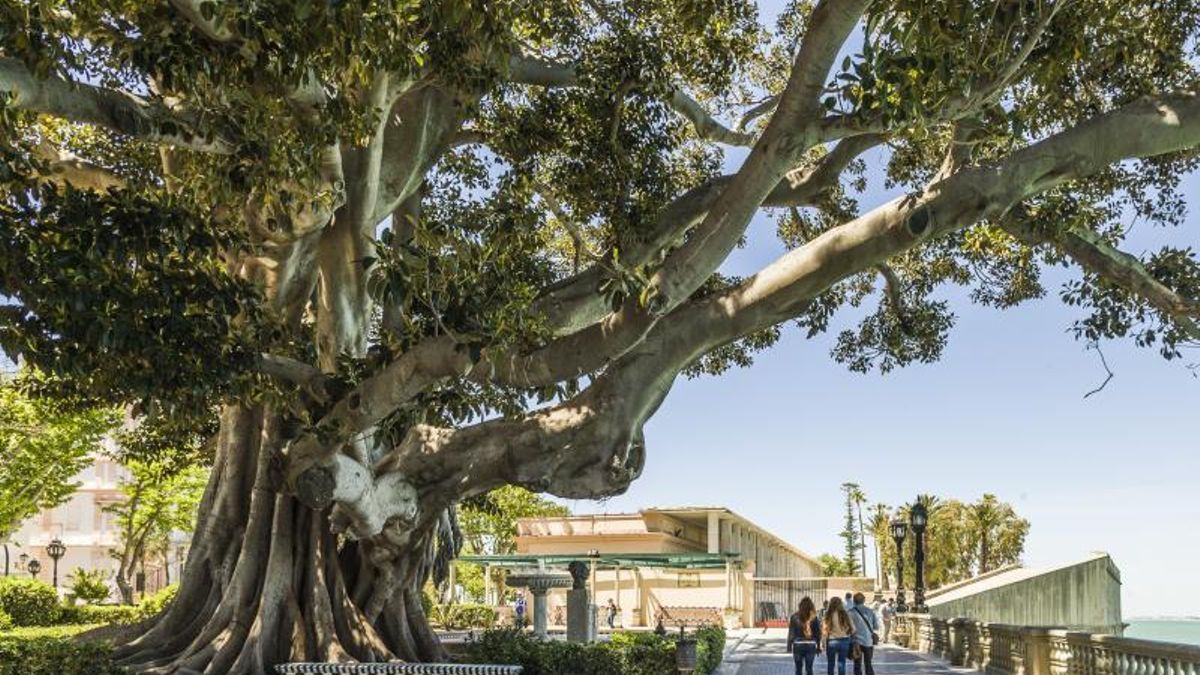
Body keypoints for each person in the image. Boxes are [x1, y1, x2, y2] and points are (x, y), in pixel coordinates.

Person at [847, 592, 882, 675]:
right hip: (868, 641)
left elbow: (847, 627)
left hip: (856, 641)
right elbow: (876, 626)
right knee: (868, 663)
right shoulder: (870, 611)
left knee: (857, 664)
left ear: (854, 601)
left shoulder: (850, 612)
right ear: (864, 600)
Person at [788, 597, 823, 675]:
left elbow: (791, 632)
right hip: (810, 645)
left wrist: (789, 646)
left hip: (798, 644)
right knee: (809, 668)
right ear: (811, 606)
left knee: (798, 668)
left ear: (800, 606)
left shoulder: (794, 617)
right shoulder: (814, 618)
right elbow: (817, 633)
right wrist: (818, 646)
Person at [823, 596, 855, 675]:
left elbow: (825, 631)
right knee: (842, 663)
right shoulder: (846, 614)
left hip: (832, 641)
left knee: (830, 663)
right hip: (844, 640)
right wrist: (846, 632)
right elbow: (853, 629)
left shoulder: (828, 615)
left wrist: (823, 643)